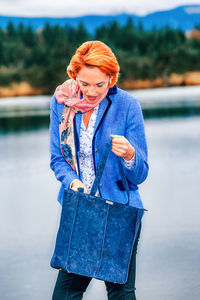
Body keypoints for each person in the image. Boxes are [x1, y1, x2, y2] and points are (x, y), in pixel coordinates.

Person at [49, 40, 149, 300]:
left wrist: (129, 155)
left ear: (111, 78)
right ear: (74, 76)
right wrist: (72, 182)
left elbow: (140, 174)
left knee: (121, 294)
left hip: (120, 212)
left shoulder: (128, 105)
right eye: (84, 84)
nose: (91, 92)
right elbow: (57, 159)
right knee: (65, 295)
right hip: (80, 212)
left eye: (100, 84)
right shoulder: (61, 102)